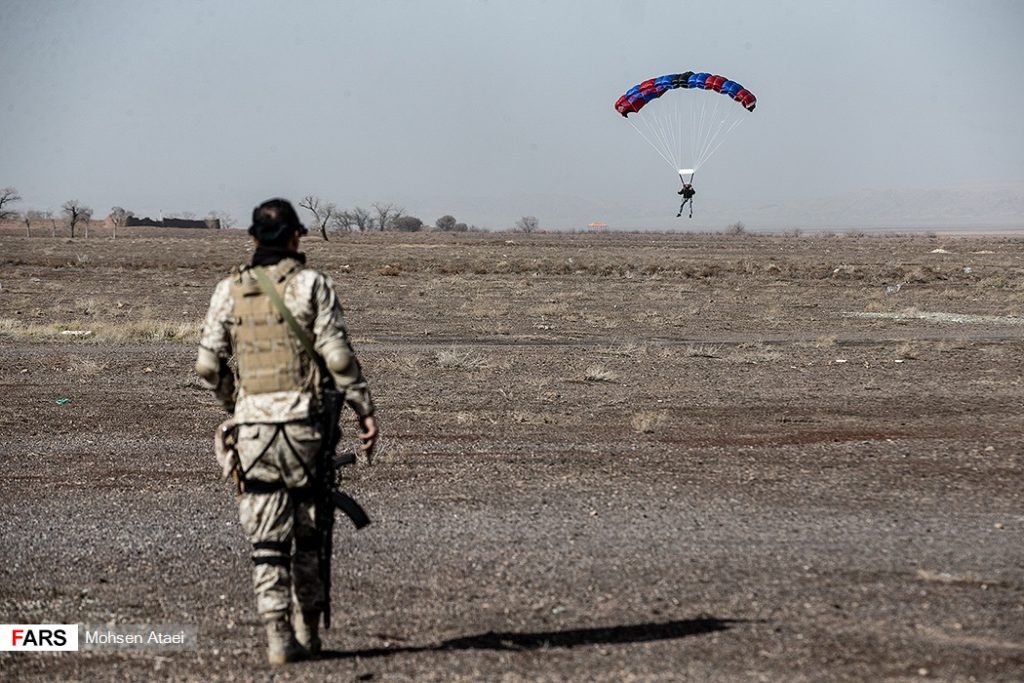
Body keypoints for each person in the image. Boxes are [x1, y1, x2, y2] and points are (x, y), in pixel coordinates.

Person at [195, 198, 378, 664]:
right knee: (309, 530)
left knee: (266, 538)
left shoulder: (228, 289)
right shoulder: (313, 285)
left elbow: (208, 364)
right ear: (296, 237)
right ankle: (308, 631)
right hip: (304, 427)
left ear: (253, 239)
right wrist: (363, 408)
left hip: (253, 431)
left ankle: (277, 636)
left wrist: (236, 402)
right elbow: (337, 358)